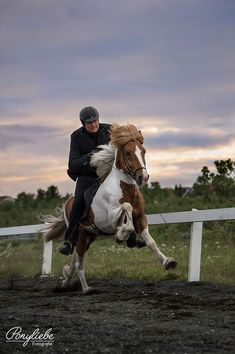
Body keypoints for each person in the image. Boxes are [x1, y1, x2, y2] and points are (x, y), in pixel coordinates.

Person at [59, 106, 145, 255]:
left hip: (107, 172)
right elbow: (72, 164)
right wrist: (89, 156)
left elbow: (126, 143)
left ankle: (133, 236)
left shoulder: (109, 129)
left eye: (96, 121)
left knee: (128, 195)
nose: (94, 124)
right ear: (83, 124)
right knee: (78, 201)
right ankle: (69, 241)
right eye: (90, 123)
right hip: (87, 175)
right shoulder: (76, 136)